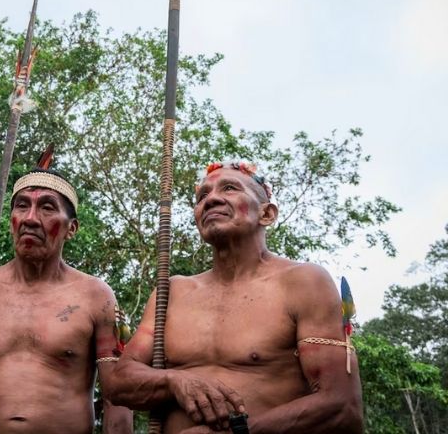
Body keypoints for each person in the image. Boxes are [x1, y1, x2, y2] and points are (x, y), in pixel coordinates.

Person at [108, 161, 363, 434]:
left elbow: (343, 407)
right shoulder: (172, 293)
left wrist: (235, 432)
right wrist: (174, 381)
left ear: (266, 214)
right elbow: (119, 382)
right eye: (202, 196)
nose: (211, 199)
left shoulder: (303, 282)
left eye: (229, 188)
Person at [0, 163, 133, 434]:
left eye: (47, 207)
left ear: (72, 228)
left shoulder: (95, 296)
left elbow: (117, 397)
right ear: (10, 221)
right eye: (21, 206)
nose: (30, 218)